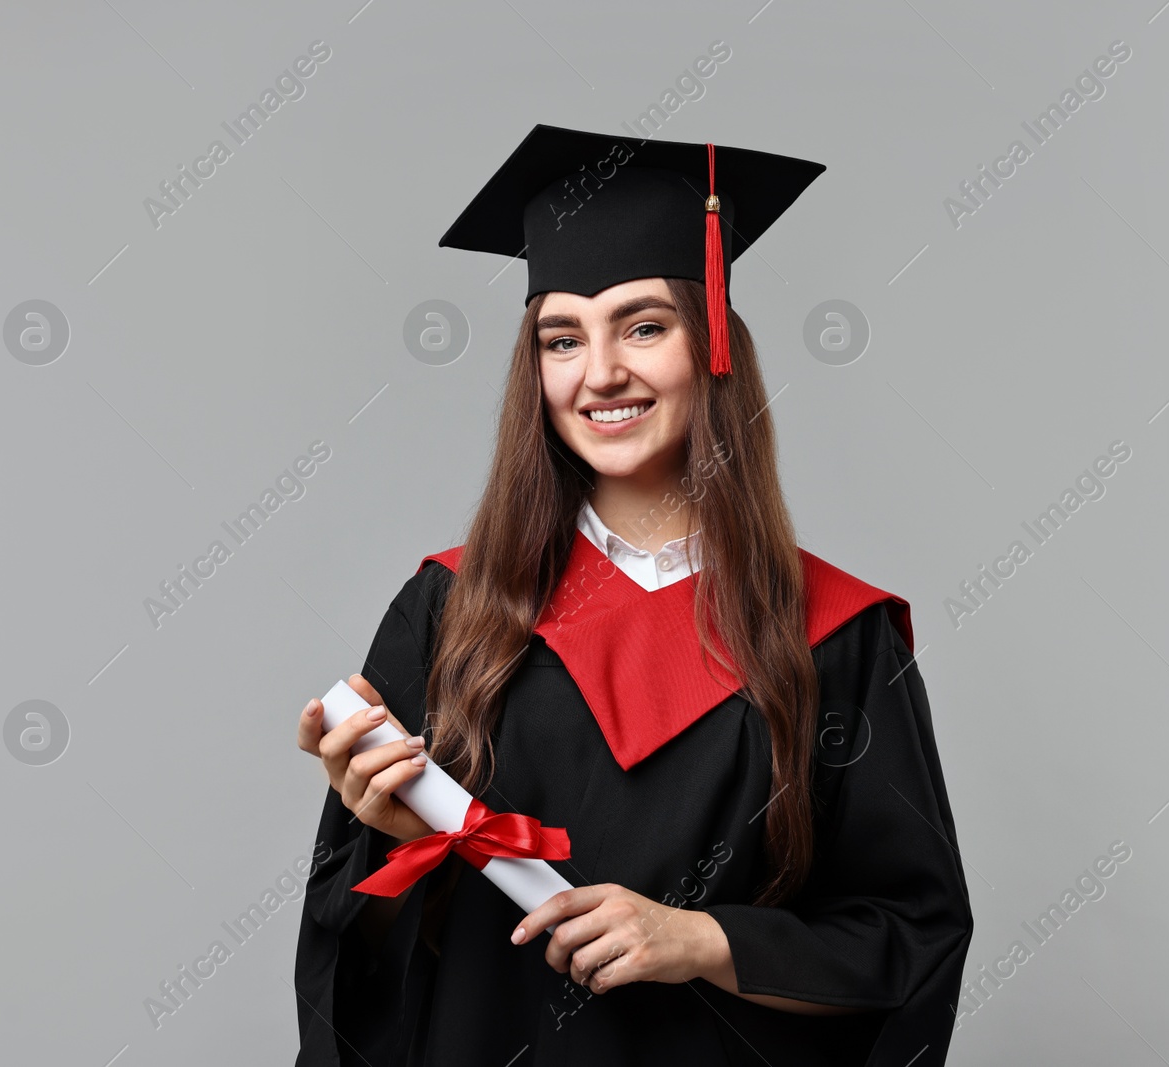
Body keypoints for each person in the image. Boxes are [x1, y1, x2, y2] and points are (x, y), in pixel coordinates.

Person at [291, 124, 973, 1066]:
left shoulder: (838, 637)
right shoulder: (450, 612)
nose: (600, 372)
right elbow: (359, 969)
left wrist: (705, 940)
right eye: (561, 337)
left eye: (643, 325)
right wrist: (397, 845)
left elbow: (910, 940)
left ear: (714, 346)